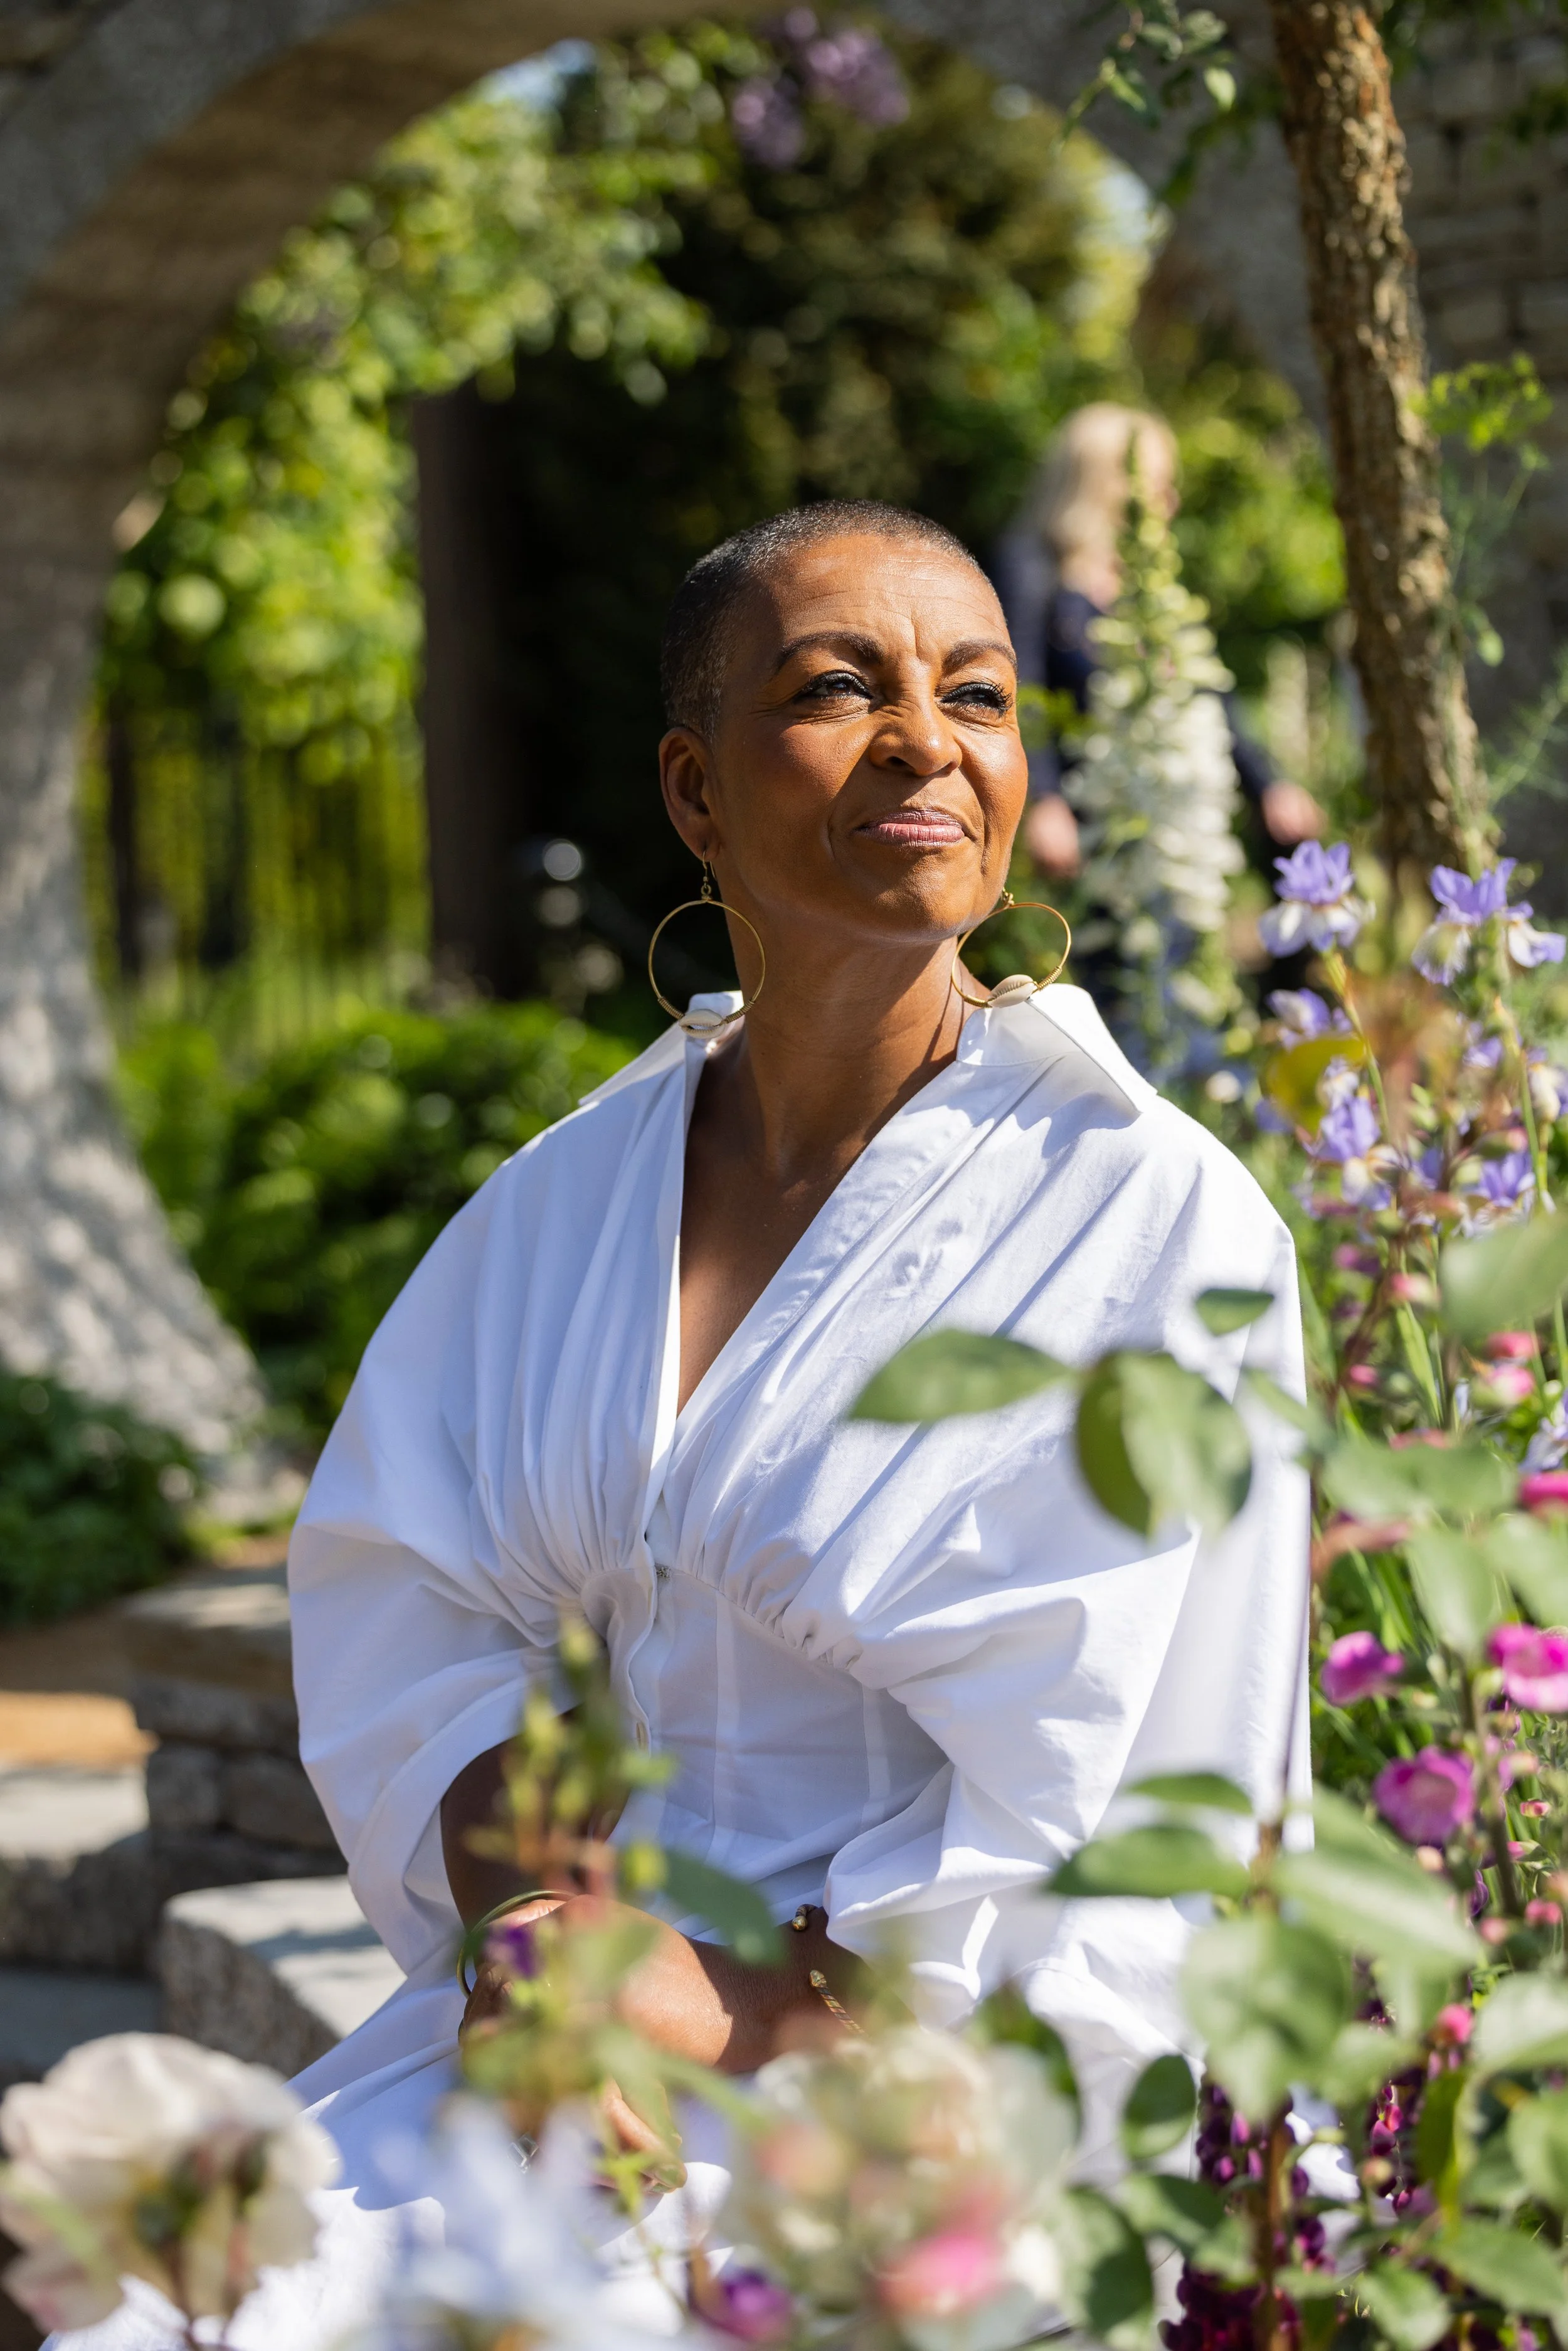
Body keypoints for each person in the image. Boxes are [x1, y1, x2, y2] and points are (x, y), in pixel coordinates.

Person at [48, 501, 1309, 2350]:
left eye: (974, 691)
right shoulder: (570, 1199)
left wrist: (722, 2009)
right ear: (695, 791)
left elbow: (1144, 1828)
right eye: (833, 687)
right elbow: (415, 1614)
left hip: (938, 2090)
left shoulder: (1149, 1219)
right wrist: (526, 1936)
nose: (924, 740)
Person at [993, 402, 1324, 882]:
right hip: (1087, 832)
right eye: (1157, 484)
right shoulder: (1032, 569)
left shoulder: (1149, 584)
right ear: (1106, 485)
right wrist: (1043, 802)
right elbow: (1019, 693)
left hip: (1171, 827)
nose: (1171, 502)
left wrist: (1270, 785)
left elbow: (1209, 694)